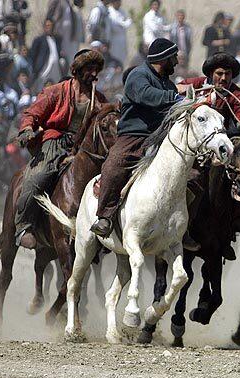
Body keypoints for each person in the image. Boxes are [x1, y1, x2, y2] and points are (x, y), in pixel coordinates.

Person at [14, 49, 107, 248]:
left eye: (96, 69)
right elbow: (32, 112)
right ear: (78, 70)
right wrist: (27, 129)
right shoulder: (57, 91)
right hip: (55, 143)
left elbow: (106, 120)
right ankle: (24, 224)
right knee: (38, 176)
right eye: (89, 69)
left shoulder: (98, 99)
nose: (93, 74)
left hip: (83, 148)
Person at [91, 38, 182, 237]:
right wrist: (175, 98)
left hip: (161, 136)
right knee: (114, 165)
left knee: (190, 174)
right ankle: (105, 217)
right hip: (134, 136)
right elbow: (146, 95)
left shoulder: (168, 84)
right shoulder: (138, 75)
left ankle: (182, 226)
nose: (176, 62)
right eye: (173, 57)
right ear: (163, 58)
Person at [179, 52, 240, 127]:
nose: (223, 78)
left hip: (219, 134)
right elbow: (177, 89)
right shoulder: (199, 83)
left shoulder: (236, 95)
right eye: (219, 73)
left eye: (227, 74)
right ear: (211, 74)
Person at [29, 19, 62, 93]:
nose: (49, 28)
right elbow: (33, 54)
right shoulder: (39, 40)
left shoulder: (56, 39)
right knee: (41, 91)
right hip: (44, 69)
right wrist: (35, 68)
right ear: (44, 27)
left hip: (55, 70)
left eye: (51, 26)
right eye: (47, 26)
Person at [107, 0, 131, 67]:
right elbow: (115, 25)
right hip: (114, 40)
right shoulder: (109, 12)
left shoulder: (122, 11)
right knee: (114, 63)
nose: (120, 3)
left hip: (122, 40)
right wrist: (123, 24)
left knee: (122, 62)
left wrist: (124, 24)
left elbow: (128, 21)